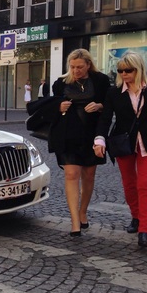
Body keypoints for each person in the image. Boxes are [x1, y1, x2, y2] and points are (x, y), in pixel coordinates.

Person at [93, 51, 147, 248]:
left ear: (138, 70)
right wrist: (99, 140)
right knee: (129, 184)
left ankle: (144, 230)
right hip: (124, 142)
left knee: (144, 185)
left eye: (127, 70)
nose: (123, 74)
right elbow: (105, 119)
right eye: (120, 71)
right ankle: (136, 217)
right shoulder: (114, 92)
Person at [49, 48, 111, 237]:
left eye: (80, 67)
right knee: (71, 174)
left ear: (88, 65)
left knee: (89, 175)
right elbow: (50, 106)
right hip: (68, 135)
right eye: (72, 67)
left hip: (92, 134)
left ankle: (83, 210)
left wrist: (100, 106)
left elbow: (109, 107)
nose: (76, 70)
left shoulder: (100, 80)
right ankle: (75, 221)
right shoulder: (60, 83)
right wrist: (58, 107)